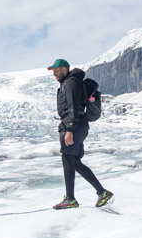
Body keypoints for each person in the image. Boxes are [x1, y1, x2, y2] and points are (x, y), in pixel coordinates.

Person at [47, 59, 113, 210]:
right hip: (77, 125)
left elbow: (73, 107)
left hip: (73, 125)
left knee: (69, 159)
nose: (54, 73)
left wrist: (69, 129)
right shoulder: (69, 82)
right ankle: (96, 193)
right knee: (72, 160)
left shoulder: (70, 83)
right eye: (53, 71)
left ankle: (78, 197)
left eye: (56, 70)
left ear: (64, 68)